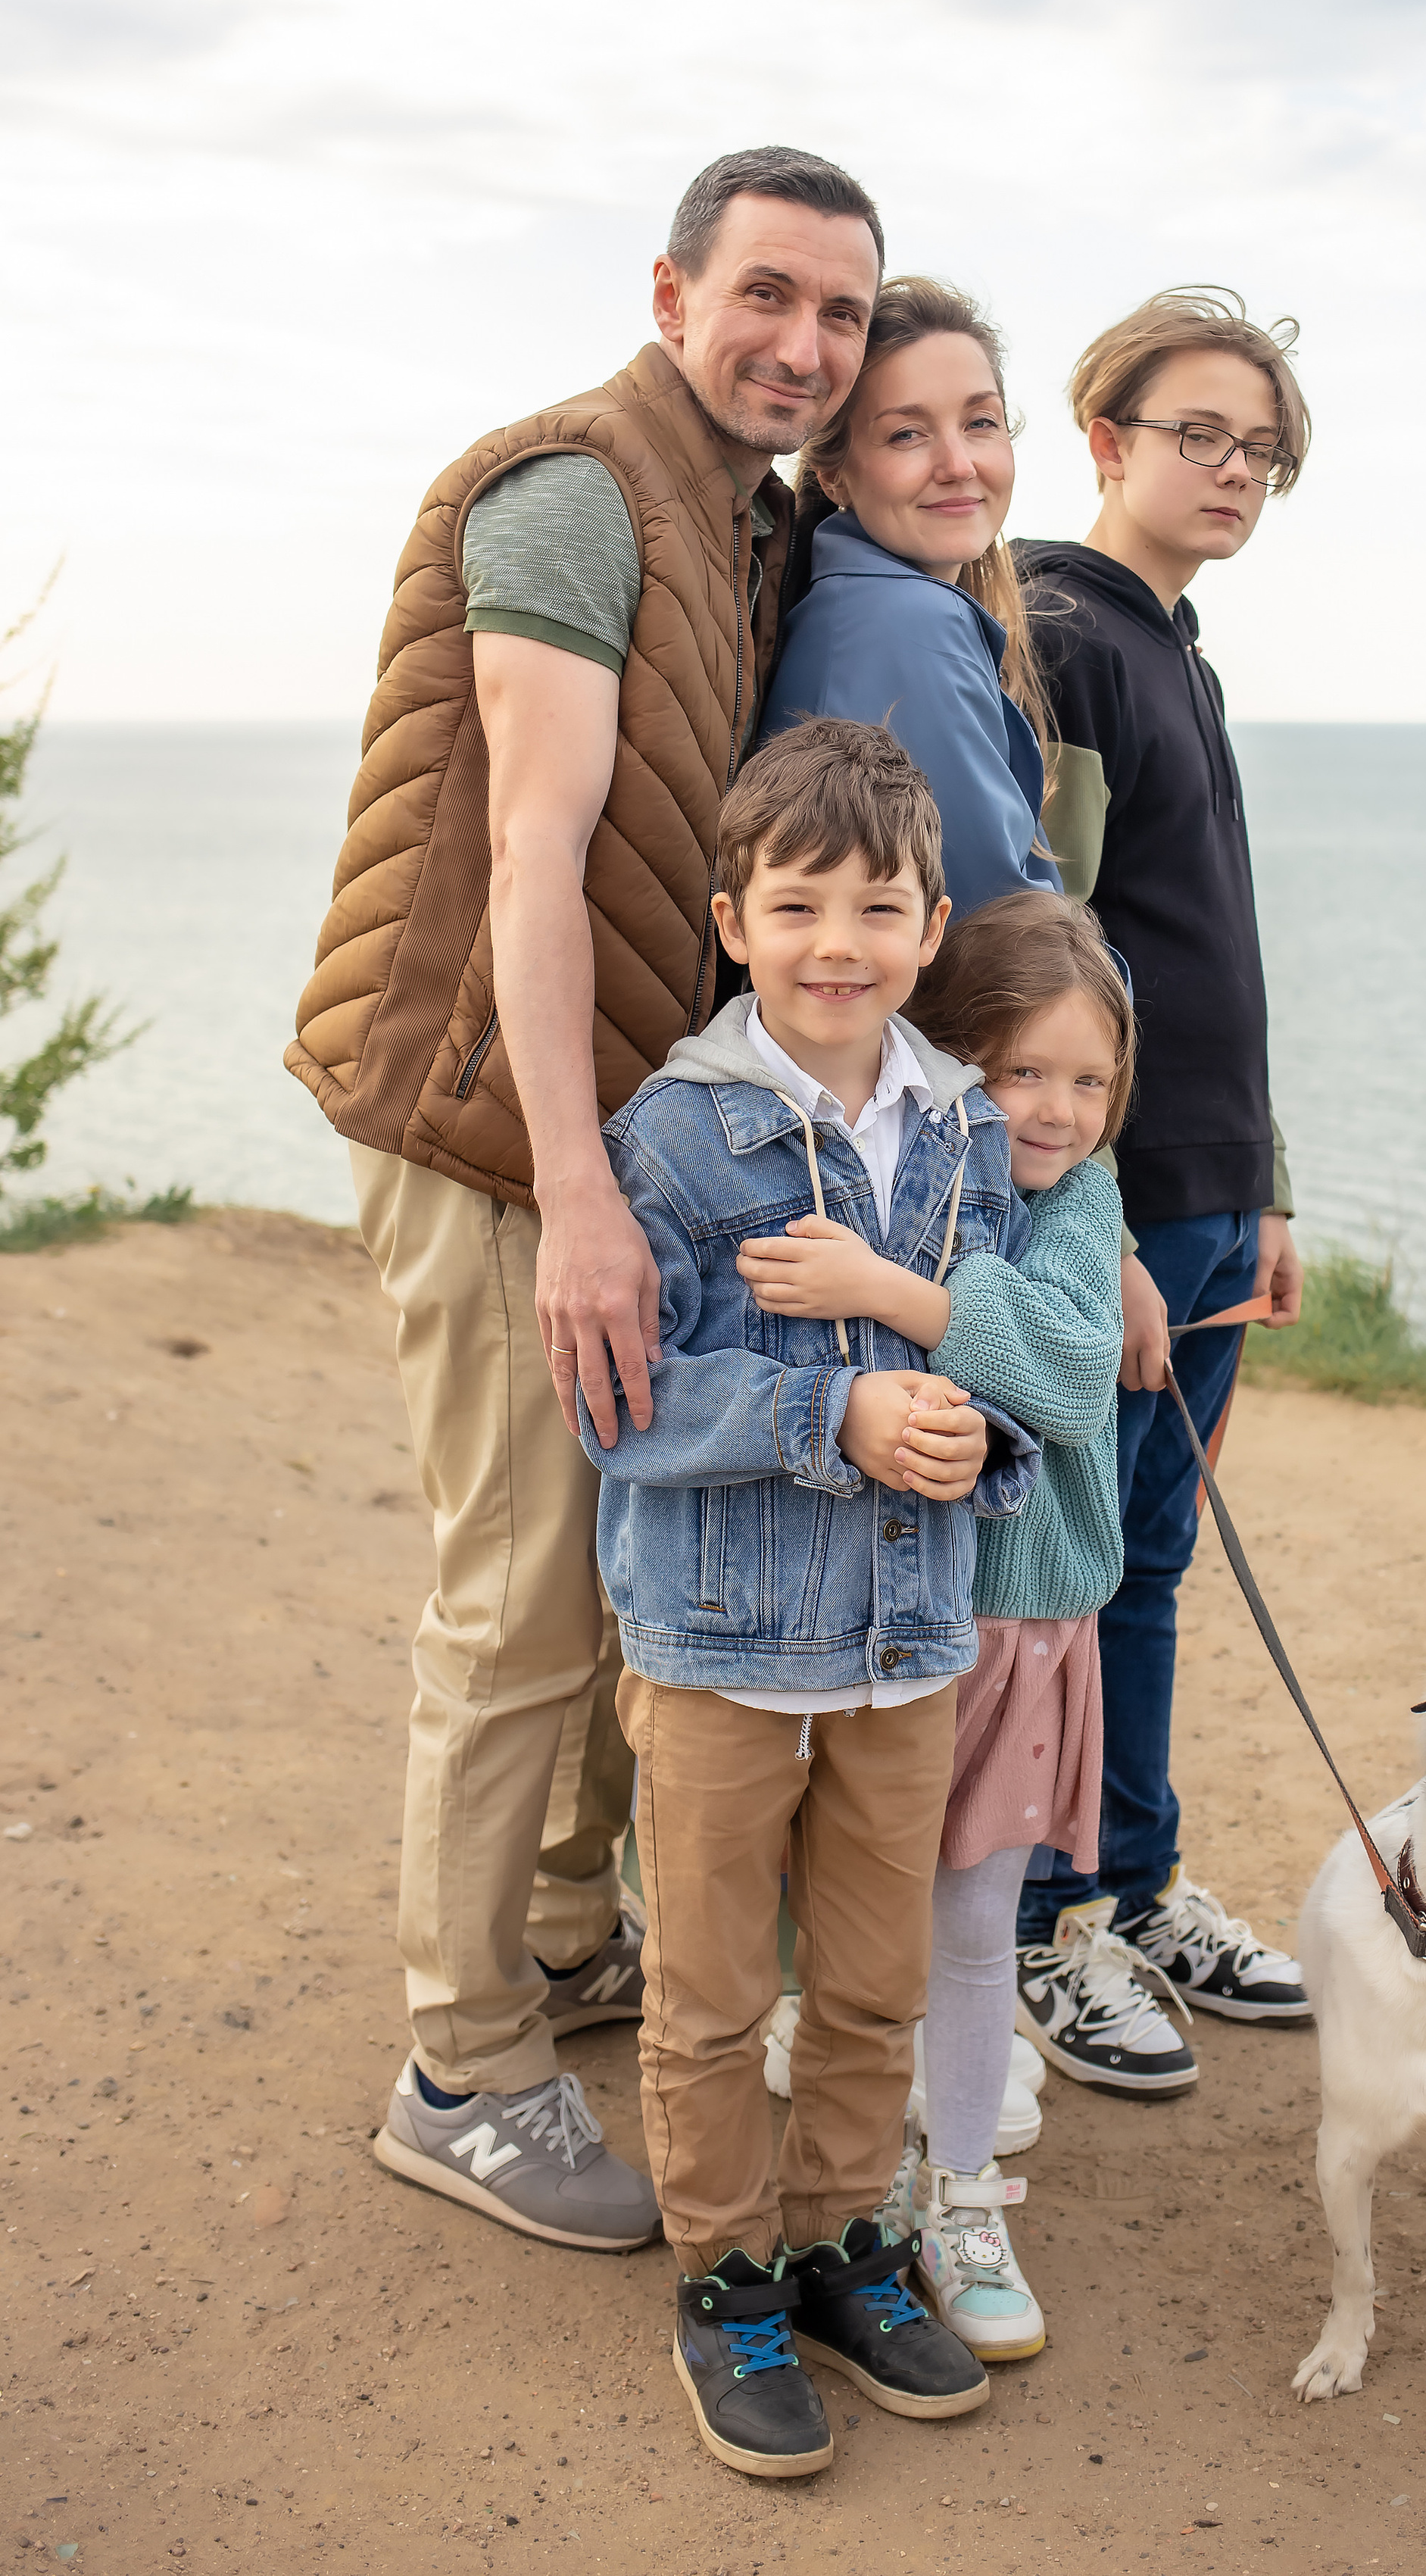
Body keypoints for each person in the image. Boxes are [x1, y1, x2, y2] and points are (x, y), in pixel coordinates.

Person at [285, 147, 885, 2247]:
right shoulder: (570, 490)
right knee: (520, 1595)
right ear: (671, 290)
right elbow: (535, 852)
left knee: (611, 1574)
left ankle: (552, 1942)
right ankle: (462, 2066)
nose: (805, 345)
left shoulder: (735, 515)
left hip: (584, 1132)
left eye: (841, 313)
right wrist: (580, 1190)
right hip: (485, 1122)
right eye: (771, 296)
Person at [581, 719, 1042, 2480]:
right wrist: (828, 1414)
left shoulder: (963, 1132)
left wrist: (958, 1436)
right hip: (713, 1654)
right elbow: (611, 1402)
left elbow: (982, 1359)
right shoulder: (674, 1136)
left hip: (906, 1647)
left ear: (930, 926)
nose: (836, 938)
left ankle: (846, 2236)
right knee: (707, 1991)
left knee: (865, 1984)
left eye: (876, 904)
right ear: (730, 918)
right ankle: (726, 2275)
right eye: (797, 903)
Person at [741, 890, 1131, 2362]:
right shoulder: (915, 1162)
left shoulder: (1083, 1205)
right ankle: (834, 2179)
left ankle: (961, 2193)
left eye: (1089, 1080)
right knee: (842, 1912)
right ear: (951, 1053)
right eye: (1022, 1070)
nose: (1054, 1109)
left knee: (972, 1928)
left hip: (1017, 1626)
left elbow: (1068, 1377)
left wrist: (894, 1295)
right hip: (879, 1615)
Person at [1010, 289, 1315, 2086]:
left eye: (1259, 450)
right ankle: (1051, 1922)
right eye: (1197, 432)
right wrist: (1100, 1220)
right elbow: (1047, 964)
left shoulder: (1174, 644)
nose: (1231, 470)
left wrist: (1256, 1177)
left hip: (1205, 1192)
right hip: (1119, 1208)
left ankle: (1130, 1883)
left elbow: (1212, 953)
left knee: (1145, 1564)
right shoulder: (1064, 635)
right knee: (1065, 1568)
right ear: (1105, 435)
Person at [754, 275, 1060, 922]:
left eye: (981, 422)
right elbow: (994, 929)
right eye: (906, 435)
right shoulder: (908, 622)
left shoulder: (855, 607)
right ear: (833, 473)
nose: (958, 463)